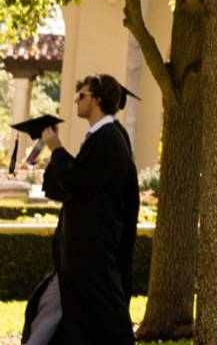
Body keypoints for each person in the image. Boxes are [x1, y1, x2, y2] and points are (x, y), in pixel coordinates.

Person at [17, 75, 139, 345]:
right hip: (81, 256)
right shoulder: (104, 138)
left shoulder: (108, 138)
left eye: (82, 95)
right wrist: (55, 159)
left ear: (98, 99)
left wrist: (57, 149)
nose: (76, 101)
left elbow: (76, 181)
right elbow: (81, 184)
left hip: (92, 255)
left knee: (108, 320)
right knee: (67, 318)